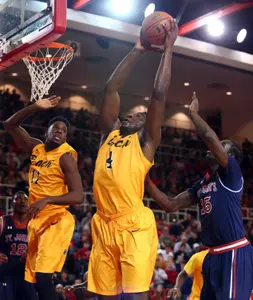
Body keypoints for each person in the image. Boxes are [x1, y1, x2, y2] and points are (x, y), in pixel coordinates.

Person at [87, 21, 178, 299]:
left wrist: (168, 50)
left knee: (135, 296)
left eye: (141, 115)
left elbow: (159, 95)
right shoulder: (109, 133)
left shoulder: (146, 143)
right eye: (131, 113)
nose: (133, 115)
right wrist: (137, 49)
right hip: (103, 223)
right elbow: (111, 89)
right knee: (104, 296)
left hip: (133, 226)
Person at [145, 92, 253, 300]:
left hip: (234, 252)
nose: (216, 146)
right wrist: (147, 181)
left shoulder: (231, 174)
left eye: (223, 145)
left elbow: (210, 139)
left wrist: (194, 115)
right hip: (211, 255)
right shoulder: (203, 183)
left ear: (229, 156)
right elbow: (170, 205)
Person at [3, 96, 83, 300]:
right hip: (37, 220)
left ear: (66, 138)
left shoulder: (66, 157)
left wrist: (46, 200)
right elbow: (10, 124)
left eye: (63, 131)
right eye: (55, 128)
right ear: (46, 131)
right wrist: (35, 107)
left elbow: (78, 196)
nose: (59, 131)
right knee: (33, 278)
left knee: (42, 275)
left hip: (57, 219)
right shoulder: (36, 148)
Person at [0, 191, 38, 300]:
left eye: (25, 199)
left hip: (27, 274)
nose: (22, 202)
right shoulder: (3, 221)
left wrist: (32, 257)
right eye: (18, 199)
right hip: (6, 274)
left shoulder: (34, 224)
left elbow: (43, 249)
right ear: (12, 204)